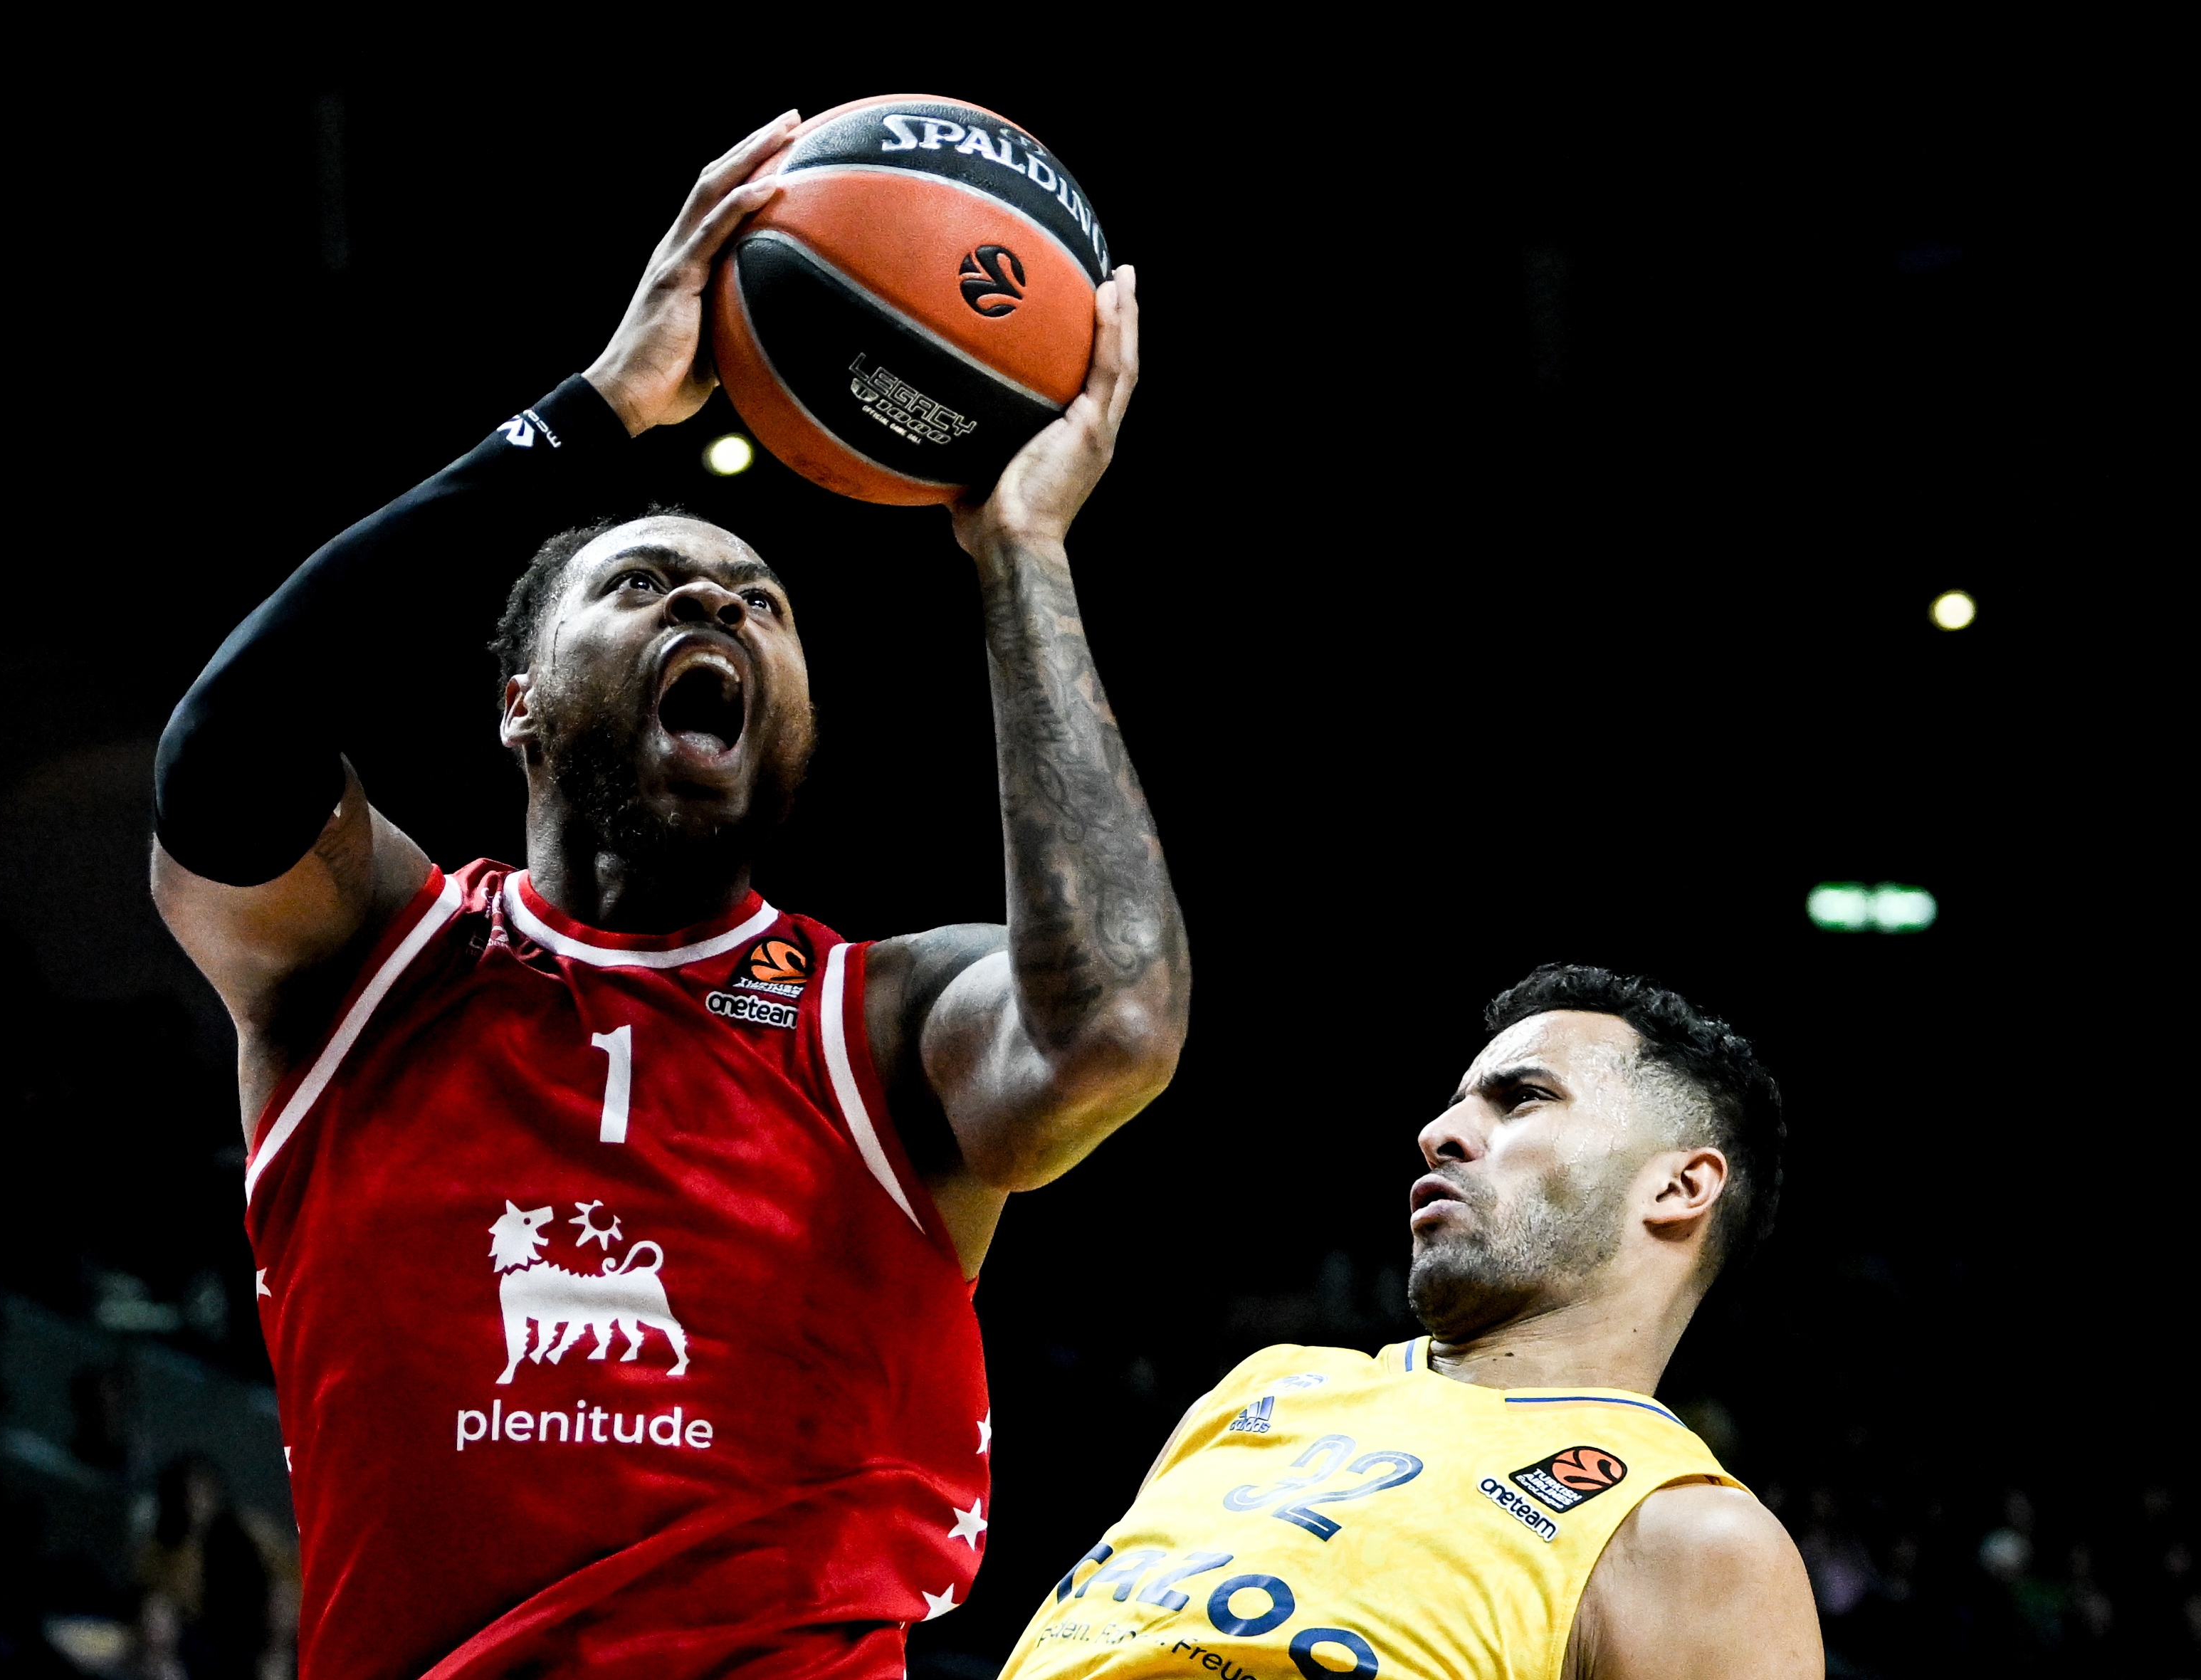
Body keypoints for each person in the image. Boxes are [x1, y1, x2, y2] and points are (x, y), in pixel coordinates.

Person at [150, 110, 1184, 1679]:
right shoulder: (368, 958)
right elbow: (224, 765)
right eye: (638, 584)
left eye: (761, 605)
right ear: (516, 700)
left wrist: (1022, 554)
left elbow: (1114, 1020)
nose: (714, 597)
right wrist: (597, 410)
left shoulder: (880, 1019)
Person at [997, 967, 1822, 1680]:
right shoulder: (1269, 1384)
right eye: (1456, 1104)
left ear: (1679, 1187)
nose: (1438, 1134)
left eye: (1523, 1098)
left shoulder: (1695, 1539)